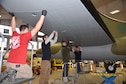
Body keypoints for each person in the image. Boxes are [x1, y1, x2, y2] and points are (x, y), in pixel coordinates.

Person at [6, 10, 47, 79]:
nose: (28, 32)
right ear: (25, 30)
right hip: (18, 64)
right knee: (29, 74)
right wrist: (43, 16)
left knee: (17, 75)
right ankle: (14, 76)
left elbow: (13, 27)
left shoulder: (15, 35)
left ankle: (12, 75)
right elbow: (37, 28)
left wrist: (13, 17)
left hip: (9, 63)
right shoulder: (25, 36)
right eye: (27, 30)